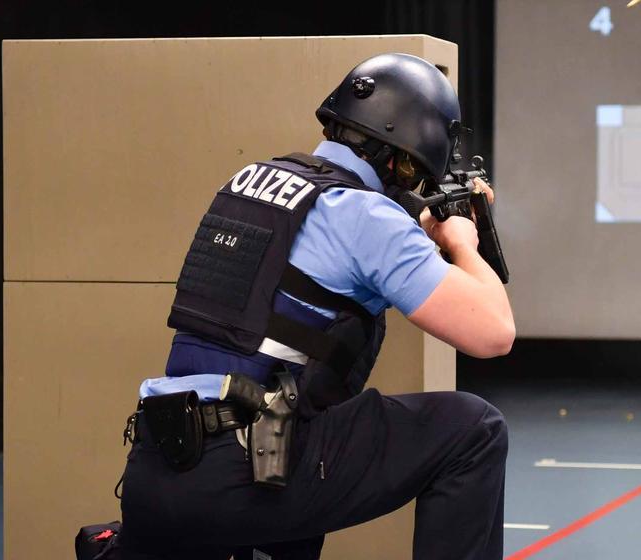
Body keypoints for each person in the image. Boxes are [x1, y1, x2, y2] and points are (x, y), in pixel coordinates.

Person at [113, 53, 515, 560]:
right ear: (405, 158)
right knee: (473, 430)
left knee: (306, 434)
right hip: (248, 470)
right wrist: (461, 243)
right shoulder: (366, 216)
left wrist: (420, 227)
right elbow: (494, 332)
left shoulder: (252, 182)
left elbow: (312, 268)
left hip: (157, 467)